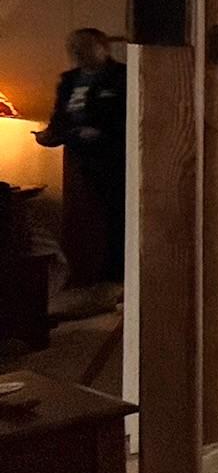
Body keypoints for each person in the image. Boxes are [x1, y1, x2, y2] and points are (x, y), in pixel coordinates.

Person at [35, 28, 127, 285]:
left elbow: (128, 116)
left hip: (113, 158)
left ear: (103, 48)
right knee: (83, 220)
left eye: (83, 46)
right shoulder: (69, 80)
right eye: (72, 47)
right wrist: (50, 134)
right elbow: (60, 116)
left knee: (115, 217)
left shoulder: (121, 76)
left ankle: (115, 275)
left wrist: (102, 132)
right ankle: (84, 275)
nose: (76, 52)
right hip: (78, 158)